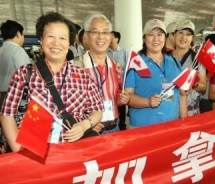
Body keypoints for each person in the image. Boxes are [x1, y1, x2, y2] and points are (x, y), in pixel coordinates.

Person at [0, 12, 104, 152]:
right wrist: (18, 149)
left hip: (76, 151)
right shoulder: (24, 74)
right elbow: (7, 114)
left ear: (69, 43)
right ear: (41, 40)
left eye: (62, 38)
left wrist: (84, 125)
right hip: (36, 153)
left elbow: (97, 110)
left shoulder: (83, 76)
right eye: (50, 36)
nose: (56, 43)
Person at [124, 19, 187, 128]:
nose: (156, 39)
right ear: (144, 38)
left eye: (160, 34)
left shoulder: (175, 63)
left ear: (165, 37)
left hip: (171, 127)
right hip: (143, 129)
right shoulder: (136, 63)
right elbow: (127, 96)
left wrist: (185, 124)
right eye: (151, 35)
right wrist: (147, 102)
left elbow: (182, 95)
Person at [81, 14, 130, 134]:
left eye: (105, 32)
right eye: (95, 32)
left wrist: (122, 99)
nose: (101, 36)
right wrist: (86, 121)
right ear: (86, 36)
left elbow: (116, 97)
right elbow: (68, 105)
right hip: (88, 132)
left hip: (114, 128)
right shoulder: (76, 66)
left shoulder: (115, 66)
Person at [172, 19, 207, 116]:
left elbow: (203, 87)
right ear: (174, 35)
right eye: (181, 33)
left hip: (191, 110)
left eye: (188, 34)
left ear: (192, 38)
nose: (184, 37)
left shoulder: (198, 59)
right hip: (169, 111)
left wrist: (194, 84)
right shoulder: (165, 58)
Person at [0, 20, 31, 107]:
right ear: (18, 34)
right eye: (22, 35)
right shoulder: (18, 51)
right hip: (14, 96)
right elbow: (26, 75)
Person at [107, 31, 129, 130]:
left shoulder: (124, 52)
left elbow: (129, 67)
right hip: (109, 87)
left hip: (121, 86)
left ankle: (122, 127)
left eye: (112, 37)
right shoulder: (105, 53)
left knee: (121, 108)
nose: (110, 39)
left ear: (117, 39)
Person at [200, 34, 215, 113]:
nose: (204, 45)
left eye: (206, 43)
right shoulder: (206, 58)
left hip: (208, 98)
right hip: (211, 97)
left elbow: (206, 79)